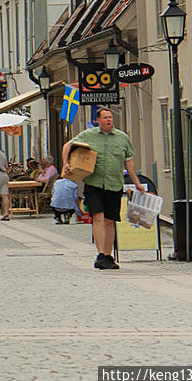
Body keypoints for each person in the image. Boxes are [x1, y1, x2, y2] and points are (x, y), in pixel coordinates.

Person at [62, 107, 145, 270]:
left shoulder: (122, 138)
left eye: (110, 117)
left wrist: (136, 182)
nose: (109, 120)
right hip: (94, 183)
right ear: (98, 120)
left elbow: (129, 161)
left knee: (110, 220)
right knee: (98, 217)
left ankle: (108, 255)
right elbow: (68, 145)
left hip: (114, 184)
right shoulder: (88, 135)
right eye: (105, 117)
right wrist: (66, 162)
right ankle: (101, 254)